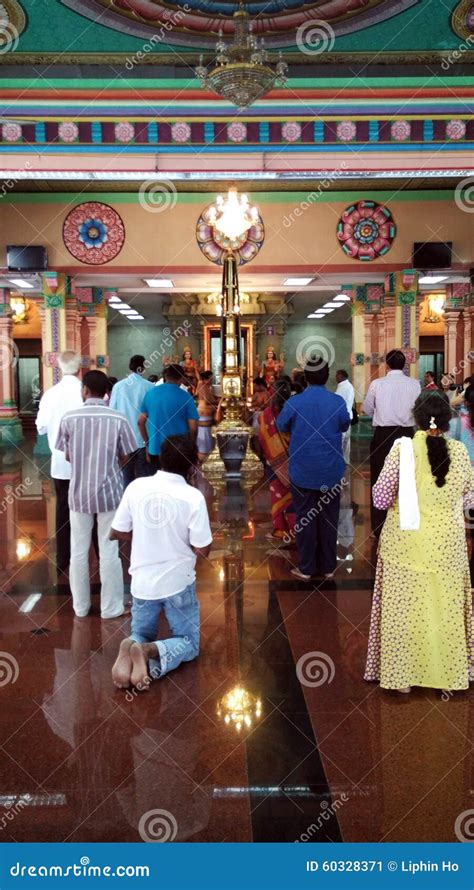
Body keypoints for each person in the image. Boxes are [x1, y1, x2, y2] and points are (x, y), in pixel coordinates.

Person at [365, 391, 474, 693]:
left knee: (405, 610)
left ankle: (402, 679)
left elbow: (380, 497)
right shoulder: (461, 453)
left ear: (416, 419)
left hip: (405, 544)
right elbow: (470, 500)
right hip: (448, 545)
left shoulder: (403, 450)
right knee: (444, 608)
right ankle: (448, 677)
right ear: (448, 420)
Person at [110, 435, 212, 690]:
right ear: (192, 466)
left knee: (142, 631)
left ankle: (136, 647)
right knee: (188, 643)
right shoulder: (193, 496)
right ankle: (148, 653)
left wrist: (144, 534)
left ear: (159, 459)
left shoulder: (136, 486)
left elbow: (117, 531)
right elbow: (203, 548)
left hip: (142, 583)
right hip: (178, 583)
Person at [55, 370, 137, 619]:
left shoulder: (69, 419)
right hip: (110, 495)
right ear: (107, 393)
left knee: (78, 551)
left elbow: (67, 455)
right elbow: (126, 455)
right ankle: (110, 608)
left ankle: (80, 607)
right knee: (109, 550)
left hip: (78, 493)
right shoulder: (118, 418)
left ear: (85, 391)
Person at [277, 358, 350, 580]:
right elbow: (345, 424)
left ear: (306, 377)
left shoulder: (295, 402)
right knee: (329, 518)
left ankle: (307, 568)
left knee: (305, 518)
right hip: (330, 470)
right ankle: (328, 567)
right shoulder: (336, 402)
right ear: (327, 376)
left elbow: (281, 425)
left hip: (303, 471)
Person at [35, 350, 83, 580]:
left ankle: (64, 558)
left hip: (60, 463)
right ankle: (88, 556)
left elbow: (41, 427)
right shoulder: (86, 392)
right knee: (88, 510)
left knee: (63, 509)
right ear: (80, 367)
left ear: (59, 367)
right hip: (86, 464)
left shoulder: (50, 395)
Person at [363, 349, 421, 537]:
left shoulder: (377, 384)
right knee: (407, 480)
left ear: (386, 364)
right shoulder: (415, 384)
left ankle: (379, 527)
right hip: (407, 436)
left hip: (383, 436)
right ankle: (405, 526)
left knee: (380, 479)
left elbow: (367, 409)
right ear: (404, 365)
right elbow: (419, 410)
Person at [138, 363, 198, 467]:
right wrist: (191, 447)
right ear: (181, 378)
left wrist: (148, 445)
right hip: (180, 451)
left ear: (165, 377)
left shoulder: (151, 393)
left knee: (158, 481)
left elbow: (140, 423)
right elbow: (193, 429)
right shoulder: (186, 397)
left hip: (155, 449)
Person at [258, 379, 295, 544]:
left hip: (274, 461)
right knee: (294, 495)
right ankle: (295, 528)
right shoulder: (294, 410)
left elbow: (262, 438)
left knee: (277, 494)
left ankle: (280, 529)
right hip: (293, 460)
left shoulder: (265, 415)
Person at [109, 354, 154, 486]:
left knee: (126, 477)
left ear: (130, 367)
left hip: (124, 440)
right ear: (143, 368)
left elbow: (113, 412)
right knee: (144, 478)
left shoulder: (118, 387)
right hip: (143, 439)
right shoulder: (149, 387)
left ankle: (127, 503)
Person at [447, 383, 474, 583]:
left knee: (466, 530)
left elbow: (448, 449)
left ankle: (465, 571)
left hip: (465, 483)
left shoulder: (458, 423)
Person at [195, 371, 219, 462]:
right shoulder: (201, 384)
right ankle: (203, 457)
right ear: (208, 378)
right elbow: (206, 400)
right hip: (203, 412)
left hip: (206, 412)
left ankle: (207, 455)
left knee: (208, 434)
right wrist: (217, 403)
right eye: (211, 379)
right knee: (204, 435)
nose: (211, 381)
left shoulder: (206, 386)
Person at [335, 369, 355, 464]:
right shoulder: (348, 386)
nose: (335, 378)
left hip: (342, 416)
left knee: (342, 438)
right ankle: (345, 460)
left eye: (337, 376)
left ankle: (340, 460)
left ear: (341, 376)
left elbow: (338, 402)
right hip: (347, 415)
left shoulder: (343, 387)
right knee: (346, 439)